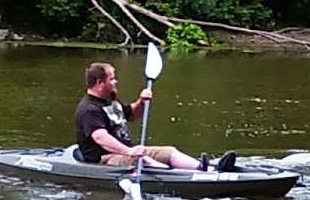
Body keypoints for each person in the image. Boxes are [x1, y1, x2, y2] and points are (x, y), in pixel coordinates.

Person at [74, 62, 236, 172]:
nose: (116, 82)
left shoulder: (110, 100)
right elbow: (101, 138)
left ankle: (207, 169)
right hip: (104, 160)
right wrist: (129, 151)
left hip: (129, 153)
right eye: (112, 79)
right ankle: (182, 177)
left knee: (170, 152)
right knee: (143, 161)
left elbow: (130, 114)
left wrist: (141, 101)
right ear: (100, 83)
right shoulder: (89, 109)